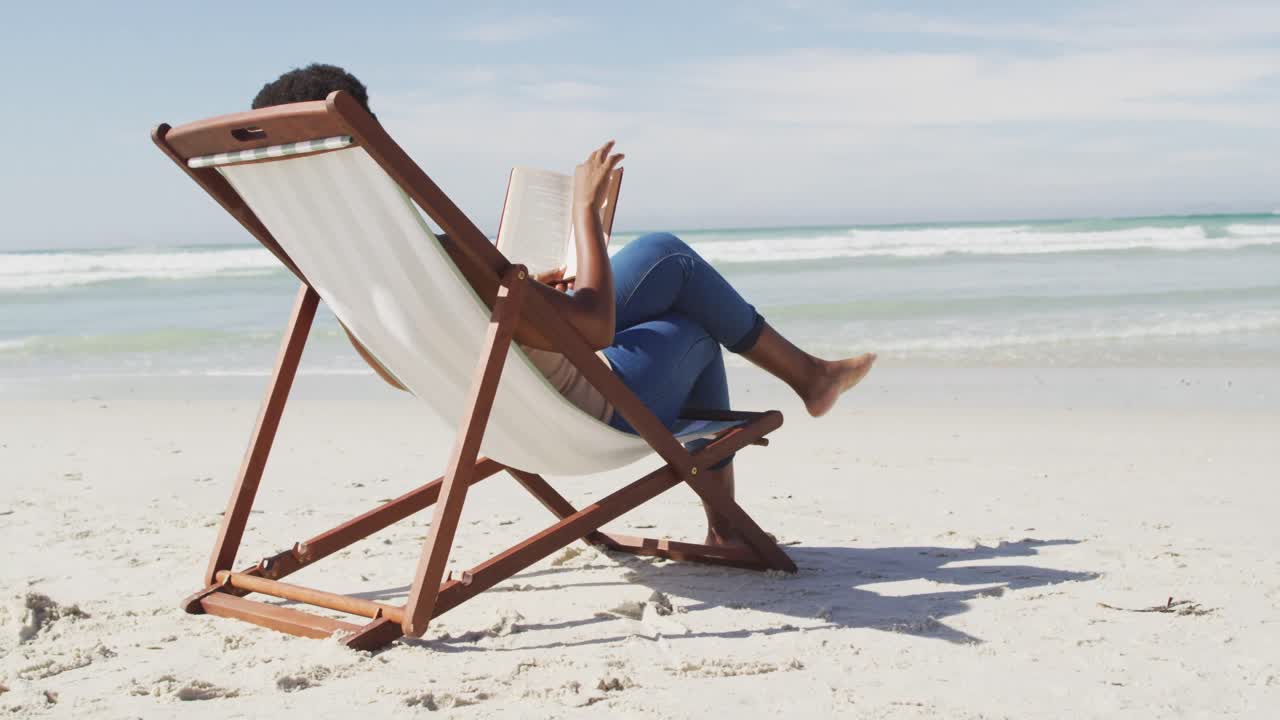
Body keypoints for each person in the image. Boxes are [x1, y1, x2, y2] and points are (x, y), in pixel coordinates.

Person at [252, 64, 876, 547]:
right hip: (586, 411)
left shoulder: (343, 274)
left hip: (507, 415)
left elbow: (398, 375)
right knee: (684, 305)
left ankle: (802, 389)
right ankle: (738, 502)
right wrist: (583, 213)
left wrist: (520, 300)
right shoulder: (435, 255)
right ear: (371, 142)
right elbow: (597, 328)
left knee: (663, 261)